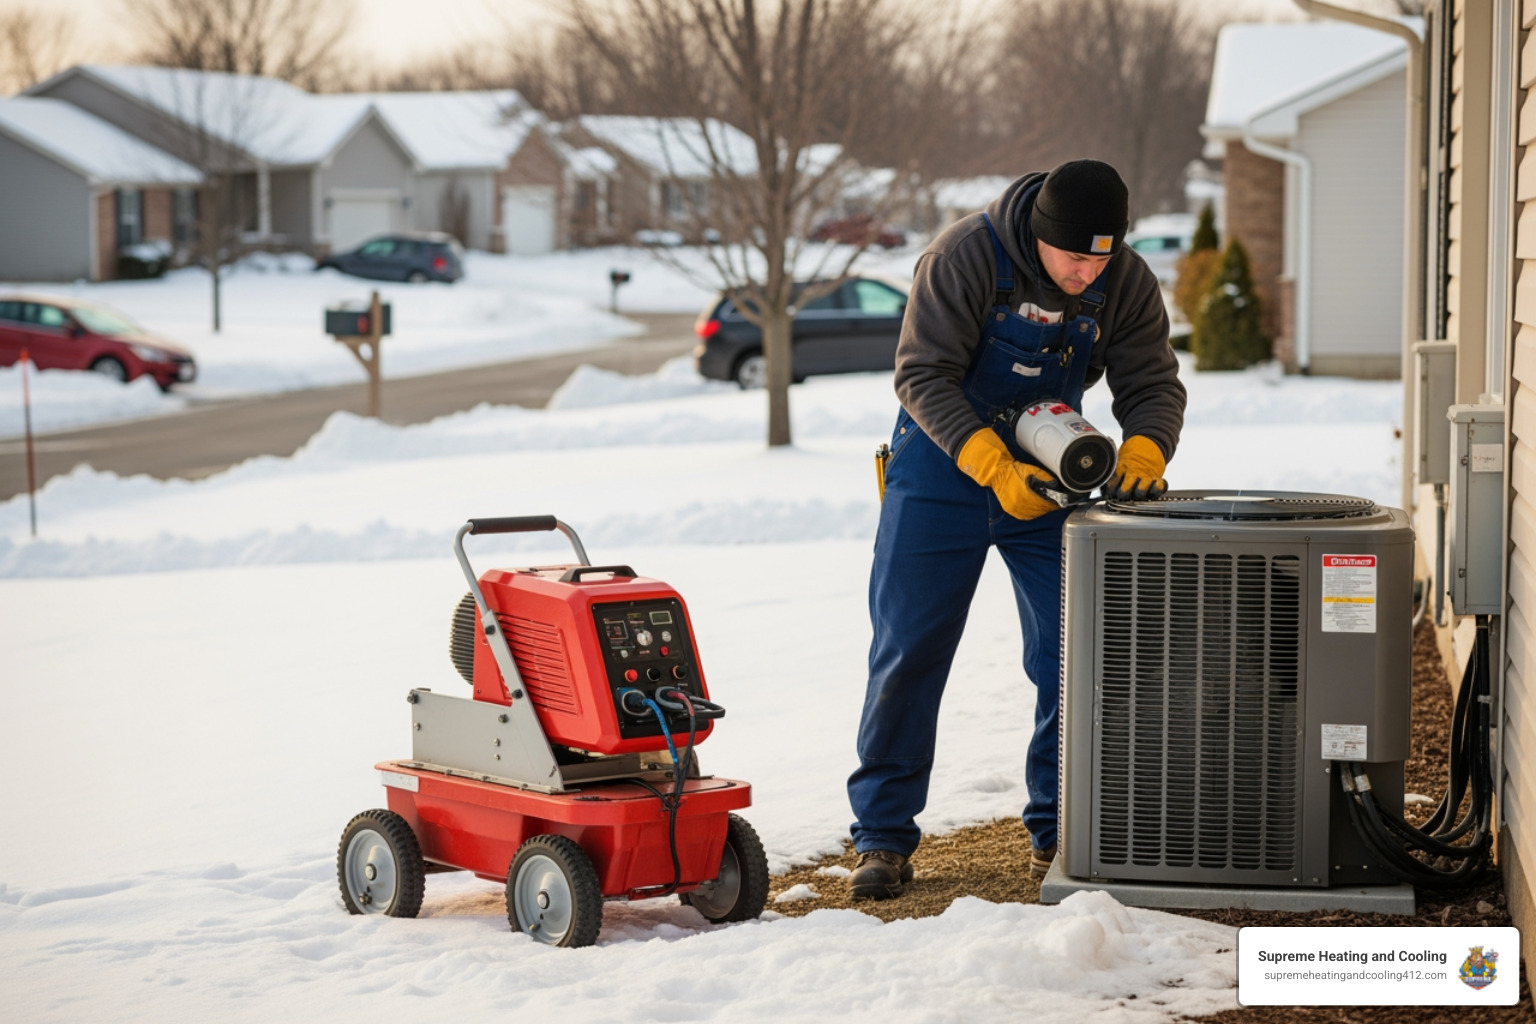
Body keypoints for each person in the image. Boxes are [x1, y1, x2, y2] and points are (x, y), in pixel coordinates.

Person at [847, 160, 1187, 899]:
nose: (1088, 272)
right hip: (941, 471)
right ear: (1038, 235)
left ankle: (1060, 827)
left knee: (1074, 652)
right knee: (908, 649)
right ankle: (882, 835)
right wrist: (993, 468)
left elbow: (1153, 382)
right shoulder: (961, 257)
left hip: (1051, 469)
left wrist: (1145, 449)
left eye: (1102, 257)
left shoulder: (1124, 280)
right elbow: (921, 374)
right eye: (1074, 257)